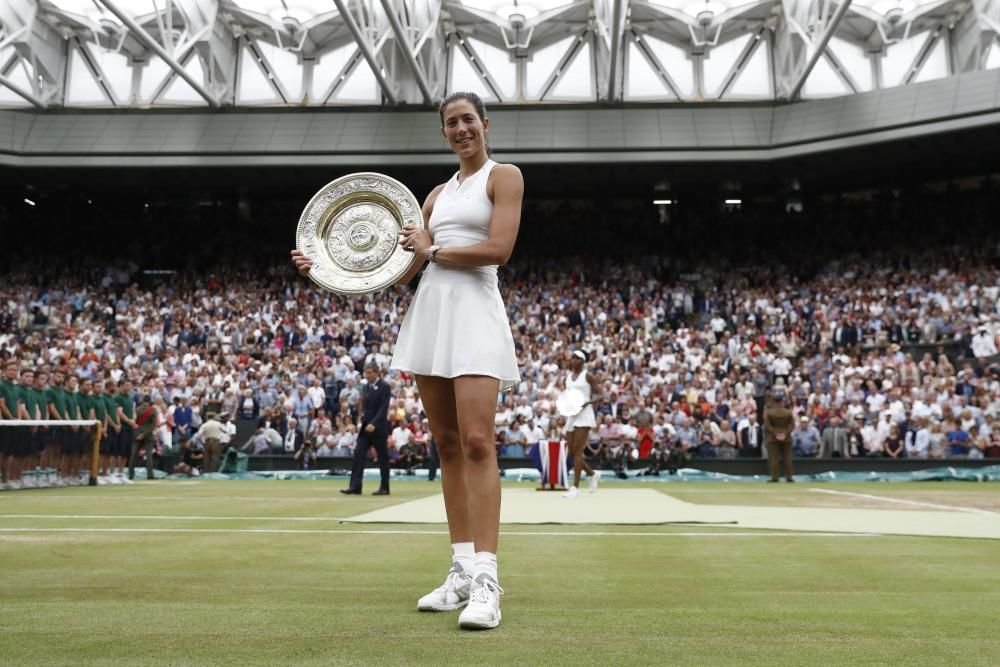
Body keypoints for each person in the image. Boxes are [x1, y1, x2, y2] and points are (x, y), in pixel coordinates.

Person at [291, 91, 522, 630]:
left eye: (468, 120)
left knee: (477, 441)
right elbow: (391, 265)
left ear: (485, 125)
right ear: (443, 133)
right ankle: (461, 568)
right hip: (432, 310)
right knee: (445, 444)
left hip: (475, 310)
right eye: (451, 123)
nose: (461, 129)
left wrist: (432, 250)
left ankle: (488, 580)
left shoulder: (504, 176)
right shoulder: (437, 193)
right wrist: (320, 266)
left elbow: (499, 249)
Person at [340, 364, 391, 496]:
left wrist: (374, 423)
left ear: (376, 373)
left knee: (382, 458)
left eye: (370, 373)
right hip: (365, 428)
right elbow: (365, 407)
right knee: (358, 454)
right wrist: (361, 417)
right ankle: (355, 486)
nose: (367, 375)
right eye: (366, 373)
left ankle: (384, 487)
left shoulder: (384, 386)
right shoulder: (366, 387)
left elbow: (383, 408)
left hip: (378, 428)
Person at [561, 350, 602, 498]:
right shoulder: (567, 378)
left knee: (578, 452)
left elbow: (600, 394)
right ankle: (592, 474)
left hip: (584, 415)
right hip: (572, 415)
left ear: (583, 361)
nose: (573, 360)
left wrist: (587, 403)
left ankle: (575, 487)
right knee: (571, 453)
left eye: (577, 358)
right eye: (572, 357)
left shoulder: (587, 376)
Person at [763, 392, 795, 482]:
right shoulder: (788, 412)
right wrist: (785, 433)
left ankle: (775, 477)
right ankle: (789, 477)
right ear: (782, 401)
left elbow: (767, 425)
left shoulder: (769, 413)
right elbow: (792, 425)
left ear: (774, 402)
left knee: (774, 459)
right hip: (787, 438)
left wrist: (775, 434)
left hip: (773, 439)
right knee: (788, 458)